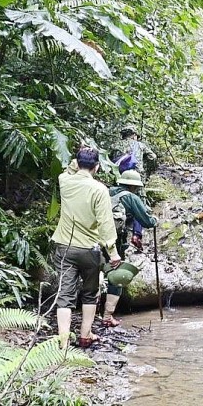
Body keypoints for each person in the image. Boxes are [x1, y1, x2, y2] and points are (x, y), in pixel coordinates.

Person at [51, 147, 121, 348]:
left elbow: (69, 168)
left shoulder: (64, 181)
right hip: (89, 250)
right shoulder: (99, 190)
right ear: (97, 167)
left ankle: (63, 343)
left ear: (78, 162)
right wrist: (113, 253)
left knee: (64, 295)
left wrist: (79, 159)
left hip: (65, 246)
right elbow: (105, 224)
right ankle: (85, 335)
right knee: (90, 293)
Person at [103, 169, 159, 326]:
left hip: (95, 239)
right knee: (116, 275)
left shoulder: (106, 192)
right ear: (134, 186)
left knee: (95, 275)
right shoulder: (131, 197)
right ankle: (107, 316)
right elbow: (146, 221)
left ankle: (92, 312)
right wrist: (154, 220)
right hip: (114, 242)